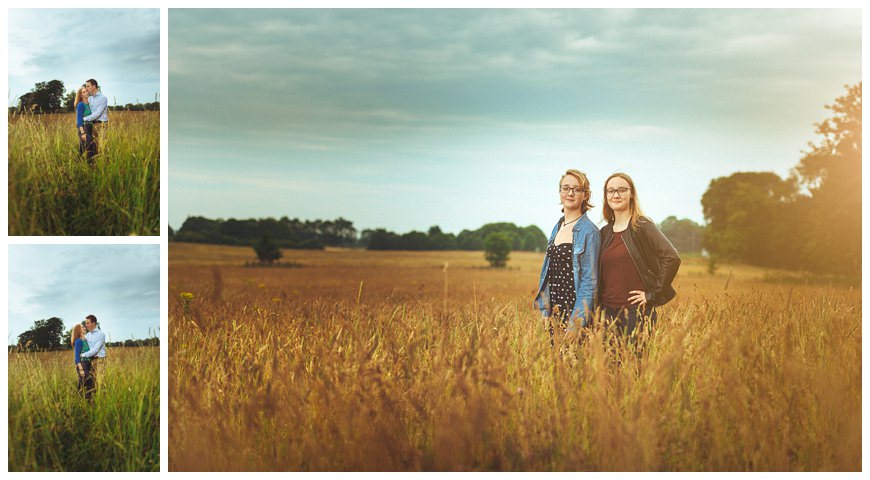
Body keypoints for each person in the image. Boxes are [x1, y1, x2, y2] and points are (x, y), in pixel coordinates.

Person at [599, 172, 681, 338]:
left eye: (622, 190)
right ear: (606, 196)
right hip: (606, 314)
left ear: (631, 194)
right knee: (606, 364)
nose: (616, 194)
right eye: (611, 191)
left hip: (636, 314)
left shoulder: (642, 225)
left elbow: (671, 257)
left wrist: (652, 295)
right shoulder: (604, 232)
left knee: (635, 364)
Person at [534, 169, 601, 340]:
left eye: (577, 189)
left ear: (586, 195)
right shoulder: (558, 227)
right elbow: (549, 274)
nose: (570, 193)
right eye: (565, 188)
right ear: (560, 192)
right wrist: (545, 311)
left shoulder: (589, 232)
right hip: (554, 315)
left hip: (575, 314)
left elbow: (589, 283)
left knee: (574, 364)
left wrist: (575, 326)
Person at [79, 314, 107, 397]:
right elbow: (85, 347)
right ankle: (94, 399)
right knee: (92, 381)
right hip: (90, 360)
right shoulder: (88, 335)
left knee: (100, 380)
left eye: (88, 323)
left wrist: (83, 355)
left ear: (94, 323)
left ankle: (102, 398)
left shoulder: (101, 334)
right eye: (85, 323)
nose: (86, 325)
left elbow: (96, 349)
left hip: (100, 360)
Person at [82, 79, 108, 156]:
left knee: (102, 146)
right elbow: (88, 111)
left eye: (88, 86)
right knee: (94, 147)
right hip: (92, 124)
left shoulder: (103, 98)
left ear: (94, 86)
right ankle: (95, 165)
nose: (86, 88)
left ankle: (104, 164)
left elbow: (97, 114)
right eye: (86, 86)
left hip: (101, 125)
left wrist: (84, 119)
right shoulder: (90, 98)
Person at [71, 323, 94, 399]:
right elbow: (77, 356)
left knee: (83, 382)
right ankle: (87, 399)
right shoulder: (78, 341)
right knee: (89, 380)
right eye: (82, 327)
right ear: (79, 330)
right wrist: (80, 369)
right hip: (82, 364)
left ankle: (81, 399)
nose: (85, 328)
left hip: (88, 364)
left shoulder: (86, 340)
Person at [74, 86, 96, 163]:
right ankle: (90, 166)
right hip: (84, 128)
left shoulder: (90, 104)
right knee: (90, 149)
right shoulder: (81, 105)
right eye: (84, 92)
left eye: (86, 91)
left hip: (90, 128)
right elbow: (79, 120)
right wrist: (82, 133)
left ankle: (78, 164)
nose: (86, 92)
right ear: (81, 95)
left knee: (83, 150)